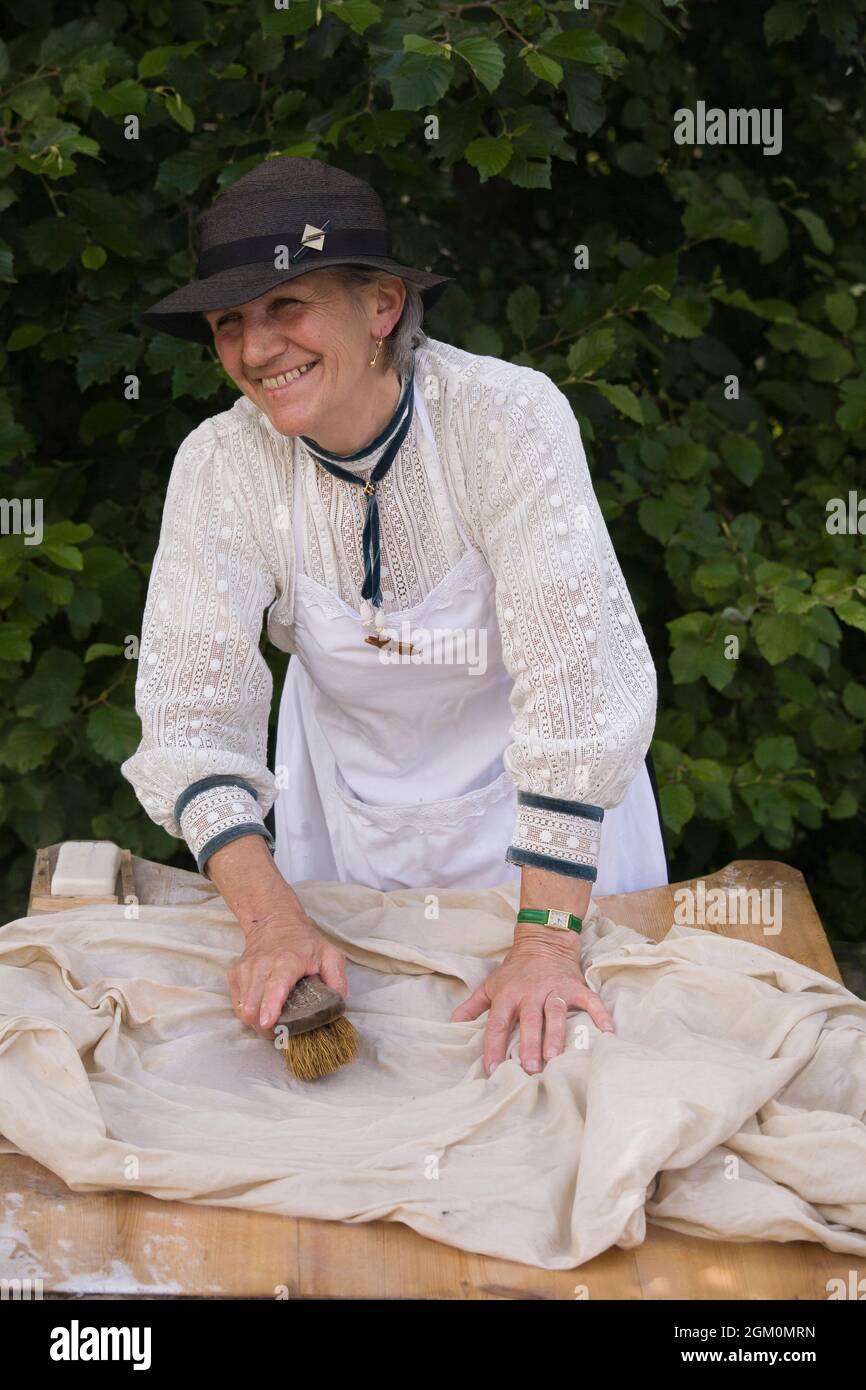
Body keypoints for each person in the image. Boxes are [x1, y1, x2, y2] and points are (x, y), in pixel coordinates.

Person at [122, 156, 668, 1077]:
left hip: (545, 828)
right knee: (375, 1080)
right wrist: (274, 920)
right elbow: (191, 720)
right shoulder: (221, 467)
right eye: (229, 323)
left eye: (285, 307)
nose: (257, 351)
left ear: (380, 307)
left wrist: (543, 944)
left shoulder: (505, 420)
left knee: (571, 1072)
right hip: (340, 816)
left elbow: (578, 697)